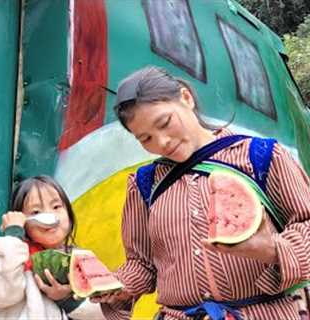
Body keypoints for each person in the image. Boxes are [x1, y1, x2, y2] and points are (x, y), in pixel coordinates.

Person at [95, 66, 310, 320]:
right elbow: (141, 265)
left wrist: (273, 250)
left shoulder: (261, 157)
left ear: (186, 98)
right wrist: (110, 286)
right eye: (146, 138)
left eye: (164, 123)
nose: (161, 142)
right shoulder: (144, 184)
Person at [0, 175, 105, 319]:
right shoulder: (4, 253)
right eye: (36, 212)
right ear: (23, 221)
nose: (50, 215)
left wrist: (66, 299)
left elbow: (104, 313)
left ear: (69, 213)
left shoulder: (85, 259)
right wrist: (13, 236)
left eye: (56, 207)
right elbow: (0, 296)